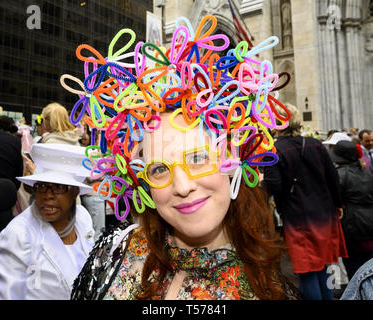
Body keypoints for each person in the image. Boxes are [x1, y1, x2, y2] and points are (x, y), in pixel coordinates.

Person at [68, 15, 300, 300]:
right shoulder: (115, 252)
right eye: (158, 169)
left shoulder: (270, 294)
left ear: (234, 160)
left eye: (198, 158)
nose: (182, 185)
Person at [263, 103, 347, 300]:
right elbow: (332, 176)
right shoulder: (315, 144)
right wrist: (338, 204)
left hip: (298, 216)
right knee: (324, 264)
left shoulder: (274, 150)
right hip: (324, 212)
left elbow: (273, 185)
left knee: (306, 270)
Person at [0, 143, 95, 299]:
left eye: (58, 187)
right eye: (42, 186)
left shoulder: (82, 218)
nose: (48, 195)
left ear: (75, 192)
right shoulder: (18, 235)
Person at [330, 140, 373, 280]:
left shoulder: (340, 174)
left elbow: (334, 200)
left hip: (352, 225)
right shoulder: (368, 171)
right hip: (369, 223)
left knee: (355, 269)